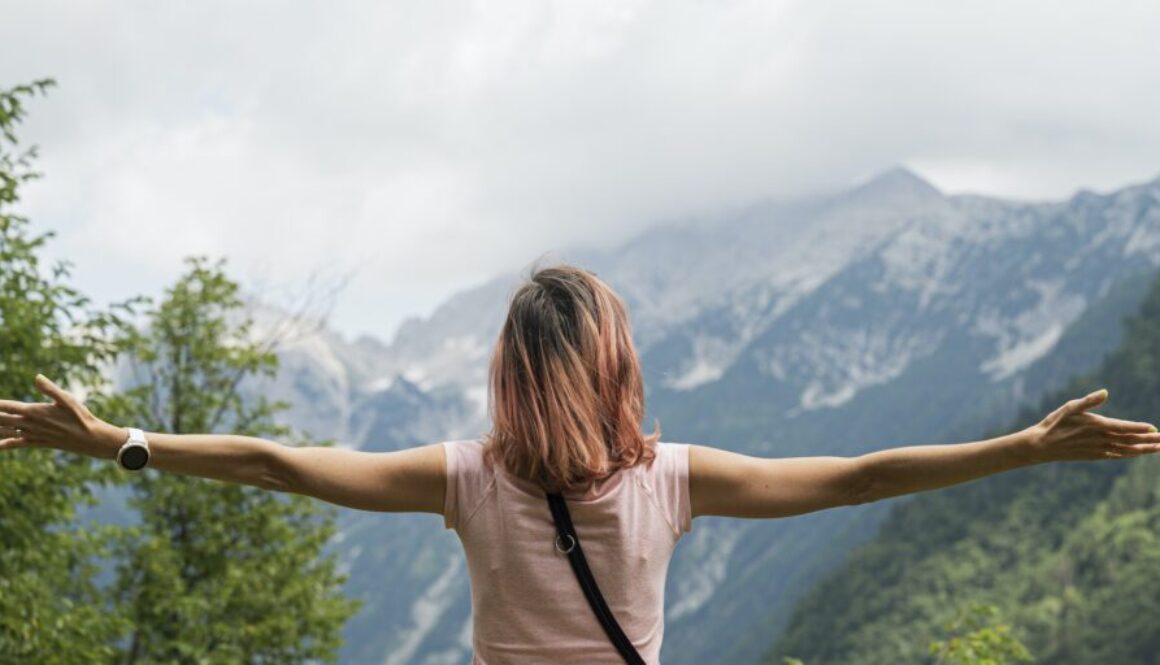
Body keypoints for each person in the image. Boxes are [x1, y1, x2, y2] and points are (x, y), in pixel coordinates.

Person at [1, 263, 1158, 665]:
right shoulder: (675, 479)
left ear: (508, 372)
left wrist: (117, 439)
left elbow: (278, 464)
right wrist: (1022, 446)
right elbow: (859, 476)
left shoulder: (463, 476)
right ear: (617, 365)